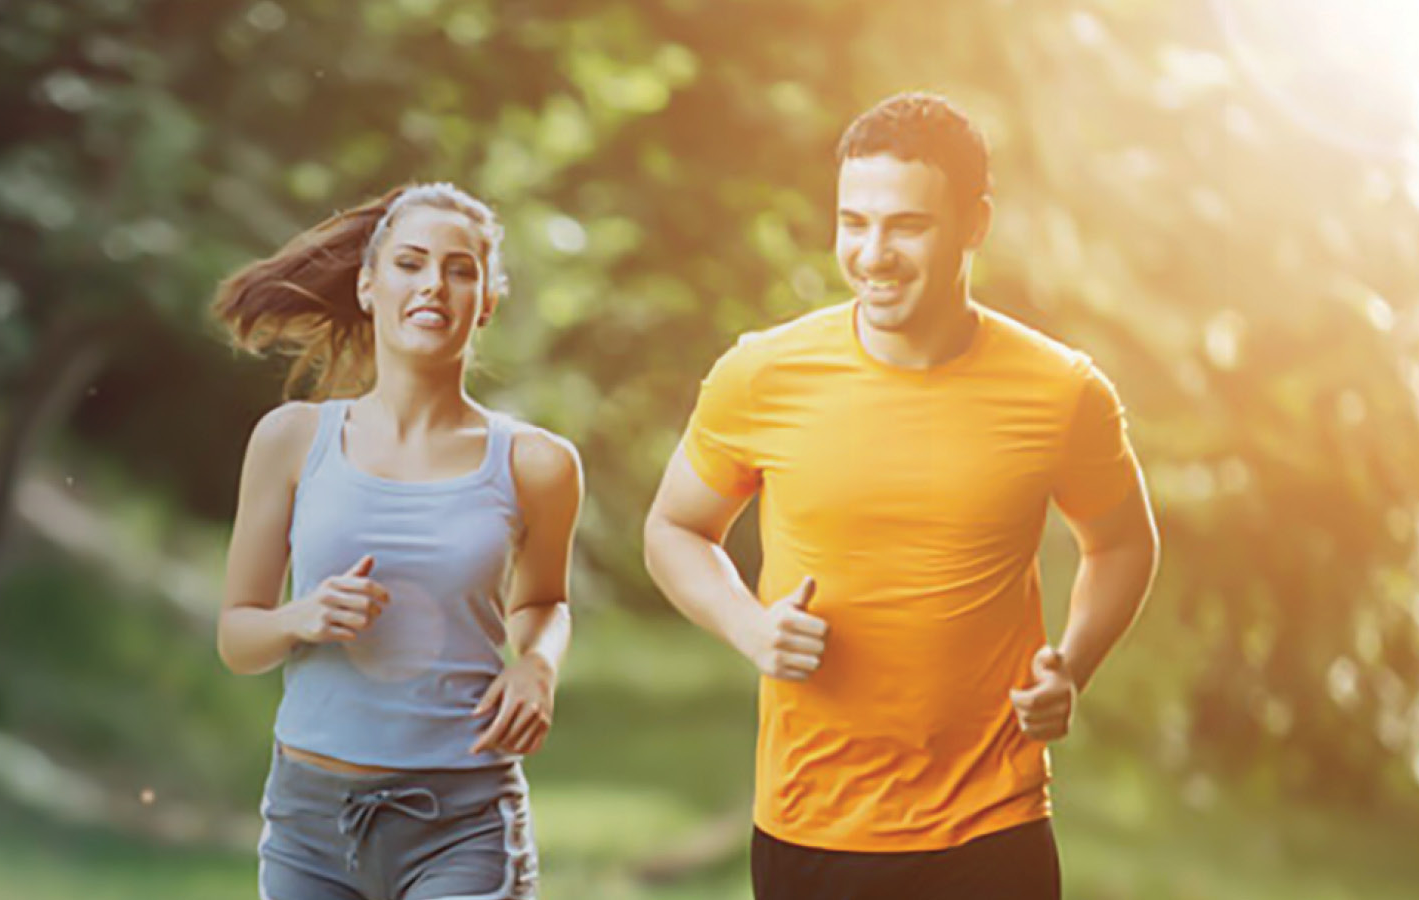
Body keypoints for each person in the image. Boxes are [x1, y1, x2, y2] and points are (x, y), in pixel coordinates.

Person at [641, 92, 1161, 899]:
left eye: (906, 225)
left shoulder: (1062, 391)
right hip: (812, 826)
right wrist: (749, 627)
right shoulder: (760, 375)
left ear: (974, 224)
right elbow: (675, 527)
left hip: (995, 828)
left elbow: (1123, 543)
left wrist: (1074, 665)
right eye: (854, 222)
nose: (872, 253)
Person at [212, 183, 582, 900]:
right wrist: (301, 618)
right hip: (308, 825)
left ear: (489, 301)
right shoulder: (291, 440)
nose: (434, 285)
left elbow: (544, 602)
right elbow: (237, 636)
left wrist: (537, 664)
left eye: (461, 269)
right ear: (368, 284)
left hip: (464, 820)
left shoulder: (537, 463)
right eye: (411, 263)